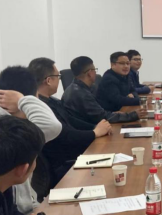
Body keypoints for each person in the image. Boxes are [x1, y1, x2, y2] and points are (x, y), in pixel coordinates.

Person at [0, 66, 62, 215]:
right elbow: (53, 126)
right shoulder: (7, 132)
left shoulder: (3, 122)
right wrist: (22, 99)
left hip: (25, 210)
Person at [28, 58, 112, 187]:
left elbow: (71, 120)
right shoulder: (41, 108)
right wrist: (94, 133)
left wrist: (97, 128)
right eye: (58, 76)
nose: (60, 80)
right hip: (63, 165)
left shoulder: (51, 101)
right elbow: (65, 135)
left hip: (71, 154)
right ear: (49, 80)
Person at [63, 56, 139, 125]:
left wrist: (113, 113)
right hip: (89, 131)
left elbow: (98, 111)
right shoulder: (82, 94)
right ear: (90, 73)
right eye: (94, 70)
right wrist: (134, 115)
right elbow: (102, 117)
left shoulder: (78, 88)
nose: (95, 73)